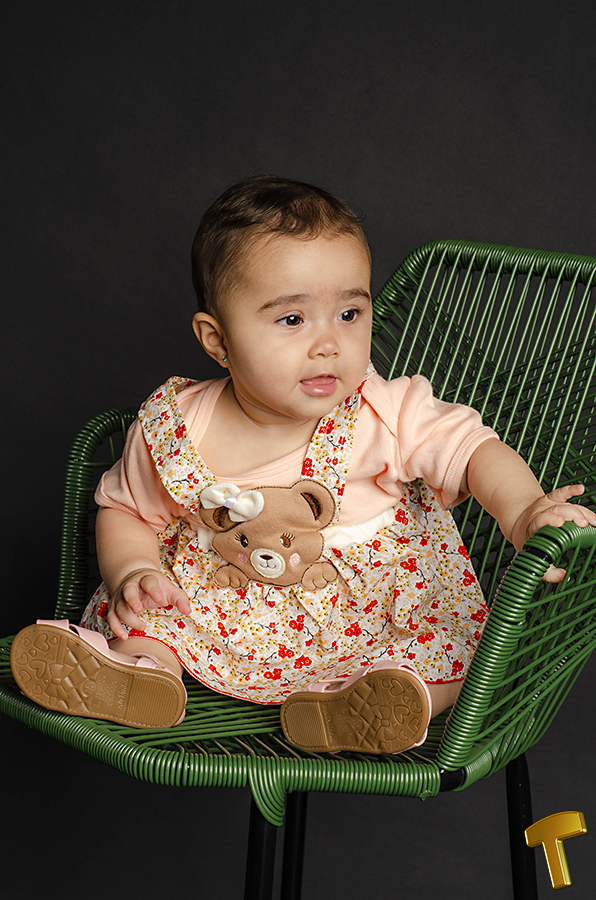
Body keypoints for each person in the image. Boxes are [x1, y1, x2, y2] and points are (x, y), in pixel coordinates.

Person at [11, 176, 596, 754]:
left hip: (365, 615)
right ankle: (142, 674)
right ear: (217, 340)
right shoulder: (176, 425)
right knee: (147, 614)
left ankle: (373, 703)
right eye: (292, 320)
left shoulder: (383, 410)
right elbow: (126, 510)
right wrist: (133, 570)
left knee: (451, 648)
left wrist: (523, 509)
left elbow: (471, 450)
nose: (329, 344)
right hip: (216, 610)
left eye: (350, 313)